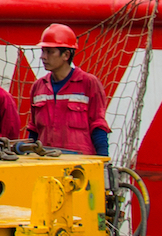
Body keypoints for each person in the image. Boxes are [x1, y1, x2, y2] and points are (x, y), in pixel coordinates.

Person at [27, 24, 108, 155]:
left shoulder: (88, 83)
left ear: (66, 55)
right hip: (44, 162)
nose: (43, 57)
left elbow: (98, 124)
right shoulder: (38, 87)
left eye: (49, 52)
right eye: (43, 51)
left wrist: (103, 160)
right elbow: (34, 130)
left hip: (78, 165)